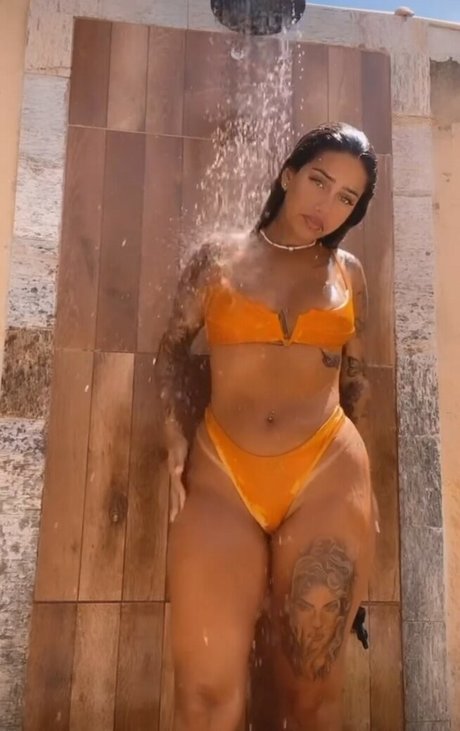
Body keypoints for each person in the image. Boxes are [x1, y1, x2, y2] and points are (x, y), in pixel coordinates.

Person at [155, 122, 379, 731]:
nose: (326, 205)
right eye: (319, 181)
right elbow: (170, 353)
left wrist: (365, 498)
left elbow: (356, 377)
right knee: (205, 694)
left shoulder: (349, 273)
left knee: (310, 695)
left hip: (328, 476)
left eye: (346, 198)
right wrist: (172, 435)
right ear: (288, 175)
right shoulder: (217, 259)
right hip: (222, 476)